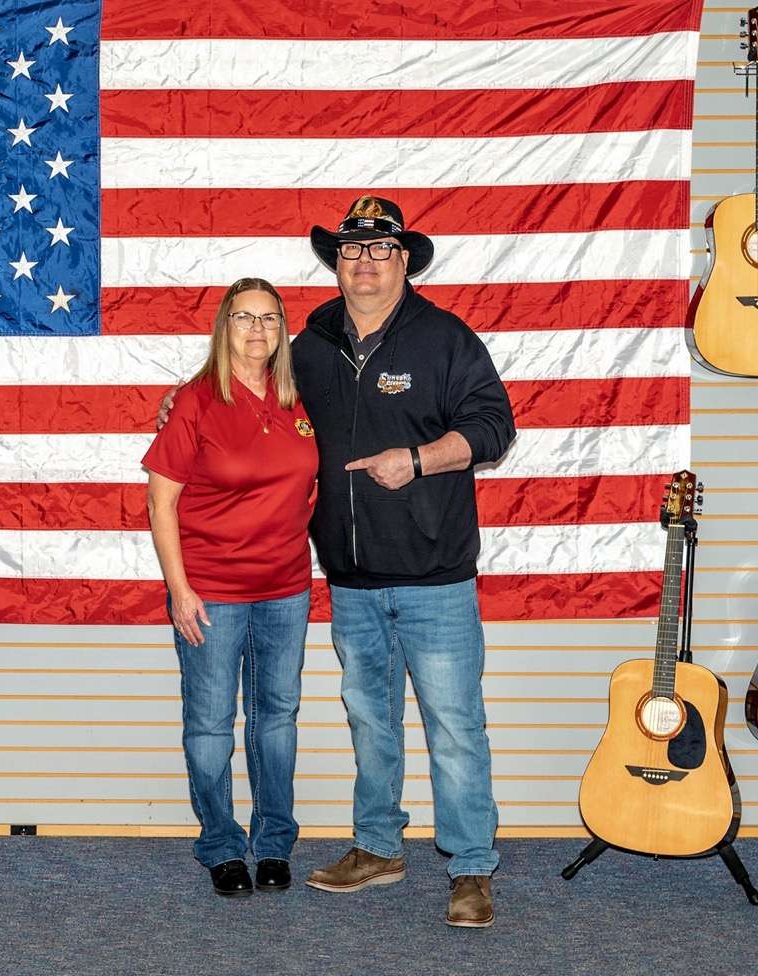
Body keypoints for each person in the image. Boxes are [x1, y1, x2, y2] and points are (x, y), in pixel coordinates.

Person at [294, 196, 515, 927]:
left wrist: (418, 460)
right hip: (351, 580)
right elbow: (251, 404)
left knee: (454, 725)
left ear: (404, 261)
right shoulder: (312, 342)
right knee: (370, 720)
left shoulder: (444, 338)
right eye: (350, 251)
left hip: (436, 578)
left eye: (379, 250)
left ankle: (472, 869)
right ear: (337, 262)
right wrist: (183, 405)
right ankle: (378, 848)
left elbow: (493, 426)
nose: (363, 262)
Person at [143, 278, 319, 897]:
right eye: (244, 318)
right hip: (210, 592)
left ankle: (273, 844)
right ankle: (220, 845)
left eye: (269, 319)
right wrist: (180, 590)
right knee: (211, 724)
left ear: (282, 330)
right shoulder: (195, 401)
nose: (257, 330)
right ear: (223, 326)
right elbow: (160, 506)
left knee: (277, 719)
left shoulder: (302, 397)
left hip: (286, 589)